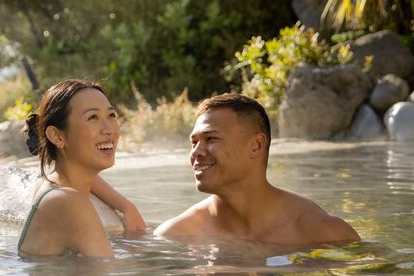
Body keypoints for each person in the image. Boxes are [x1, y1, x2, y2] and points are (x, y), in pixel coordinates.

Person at [154, 93, 360, 245]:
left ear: (256, 146)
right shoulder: (177, 236)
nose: (196, 152)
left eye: (210, 139)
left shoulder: (323, 232)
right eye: (194, 142)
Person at [18, 79, 145, 258]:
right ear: (57, 136)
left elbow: (88, 179)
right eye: (93, 117)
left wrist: (126, 206)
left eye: (111, 116)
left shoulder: (54, 182)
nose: (109, 129)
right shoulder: (69, 201)